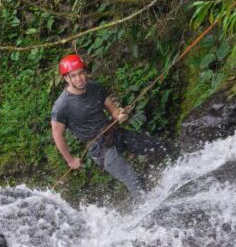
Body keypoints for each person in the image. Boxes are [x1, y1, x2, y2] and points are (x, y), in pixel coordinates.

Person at [50, 53, 172, 200]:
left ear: (85, 72)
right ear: (66, 78)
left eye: (81, 73)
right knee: (132, 178)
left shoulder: (95, 88)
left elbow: (114, 111)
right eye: (73, 76)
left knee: (159, 146)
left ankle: (181, 169)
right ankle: (148, 208)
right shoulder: (61, 106)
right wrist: (70, 160)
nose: (79, 78)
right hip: (99, 148)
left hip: (114, 133)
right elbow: (57, 134)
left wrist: (120, 114)